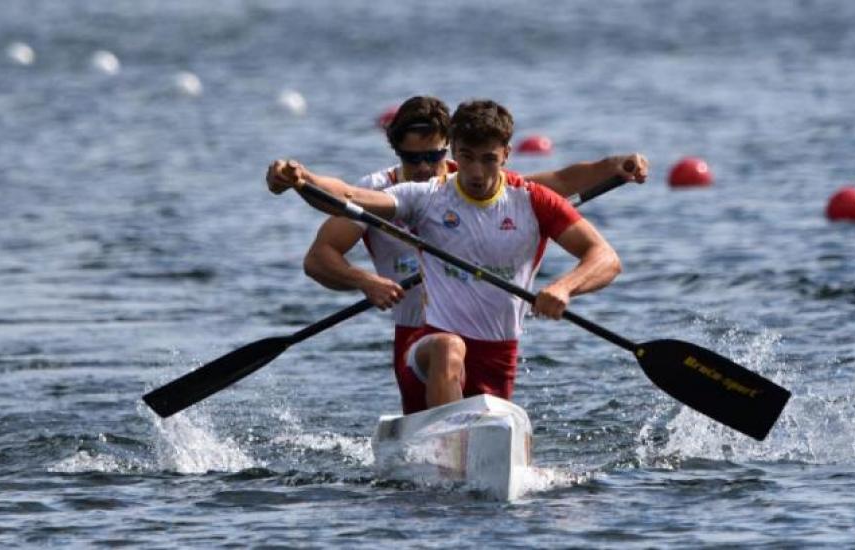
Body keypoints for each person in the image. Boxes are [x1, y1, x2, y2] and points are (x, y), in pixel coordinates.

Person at [267, 99, 627, 413]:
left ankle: (464, 446)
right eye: (466, 158)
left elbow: (606, 258)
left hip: (497, 357)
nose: (475, 172)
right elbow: (347, 197)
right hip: (426, 348)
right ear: (455, 151)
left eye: (488, 160)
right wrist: (302, 179)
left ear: (506, 155)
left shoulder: (531, 200)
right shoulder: (425, 197)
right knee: (448, 347)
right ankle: (450, 451)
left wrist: (565, 287)